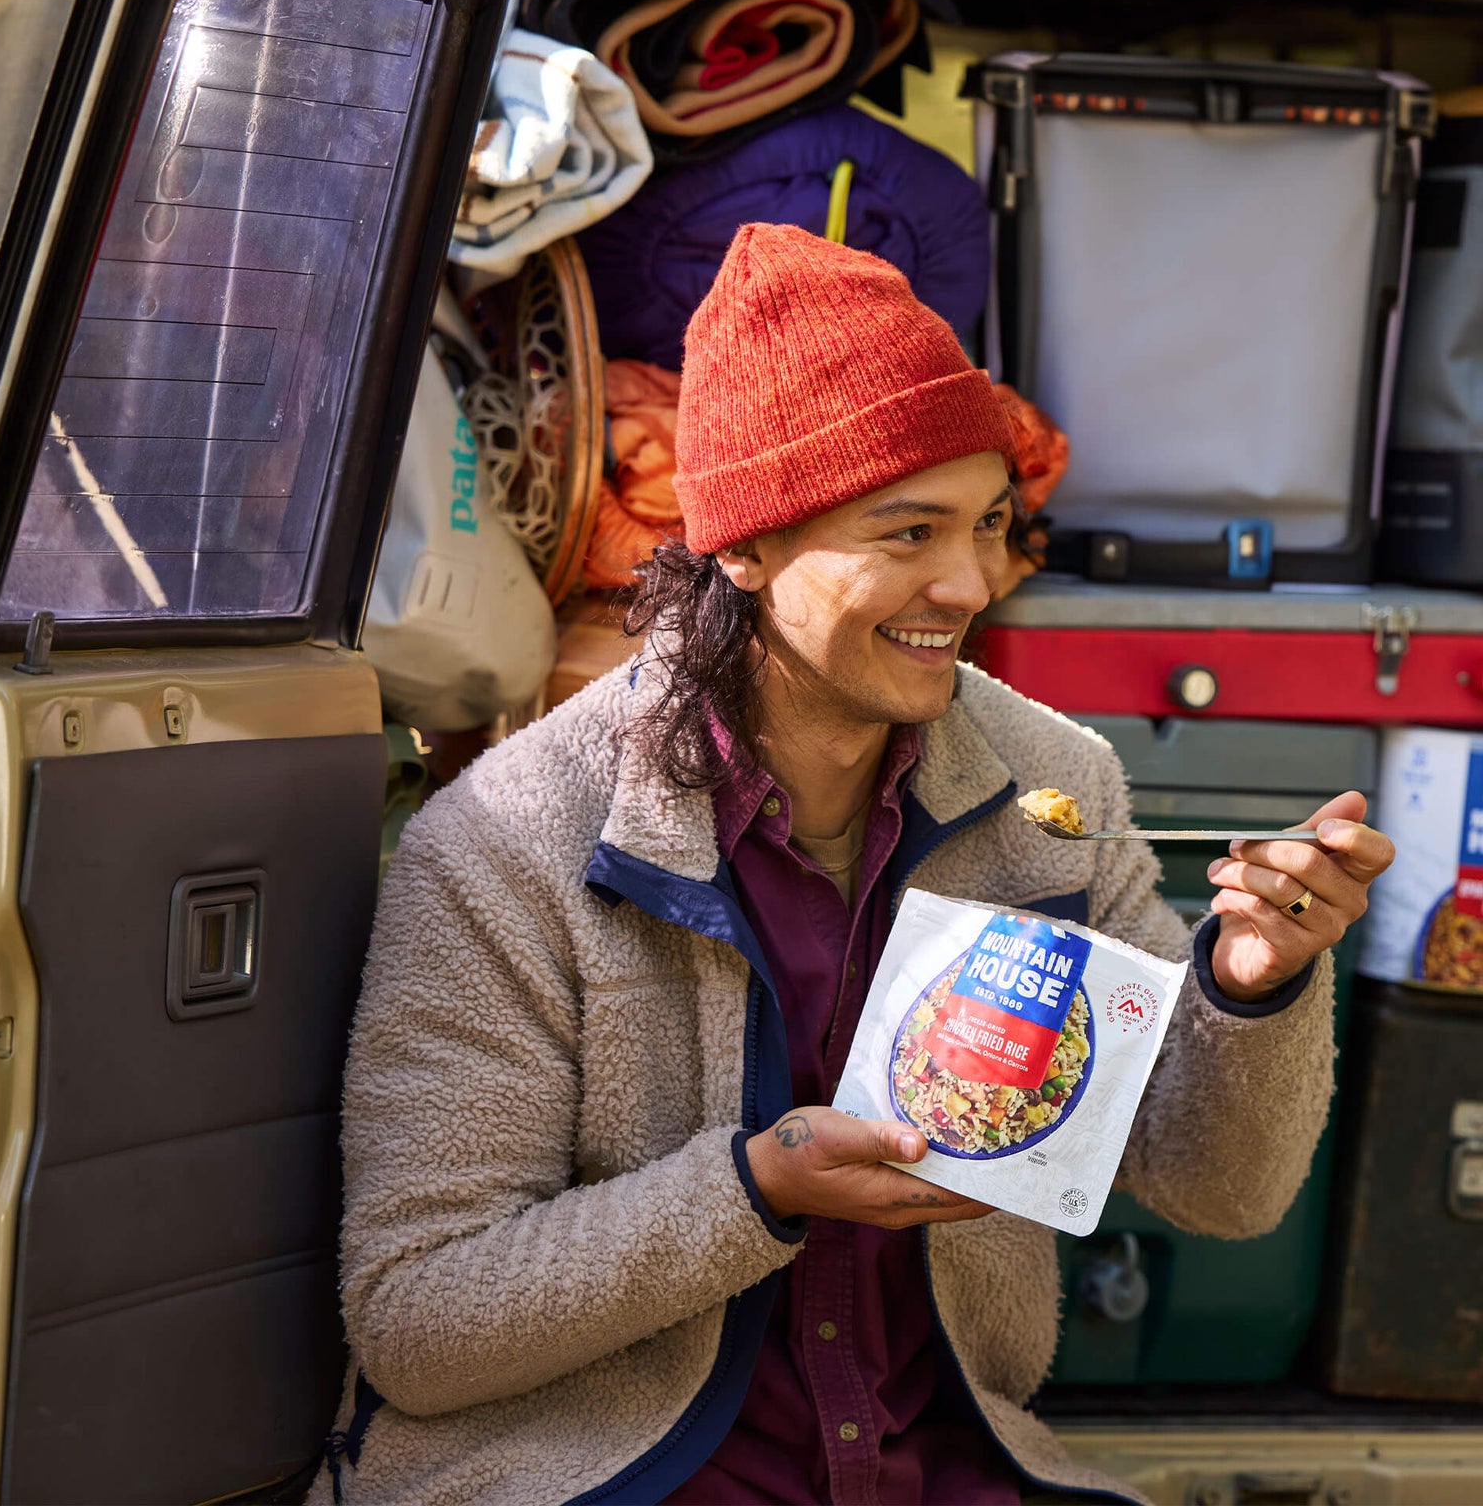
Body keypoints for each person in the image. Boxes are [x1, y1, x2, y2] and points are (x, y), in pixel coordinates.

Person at [318, 225, 1395, 1506]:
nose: (971, 579)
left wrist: (1252, 984)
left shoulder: (1052, 790)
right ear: (746, 546)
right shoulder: (511, 842)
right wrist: (754, 1189)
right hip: (604, 1478)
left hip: (942, 1468)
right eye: (907, 531)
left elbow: (1217, 1187)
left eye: (991, 524)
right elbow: (419, 1319)